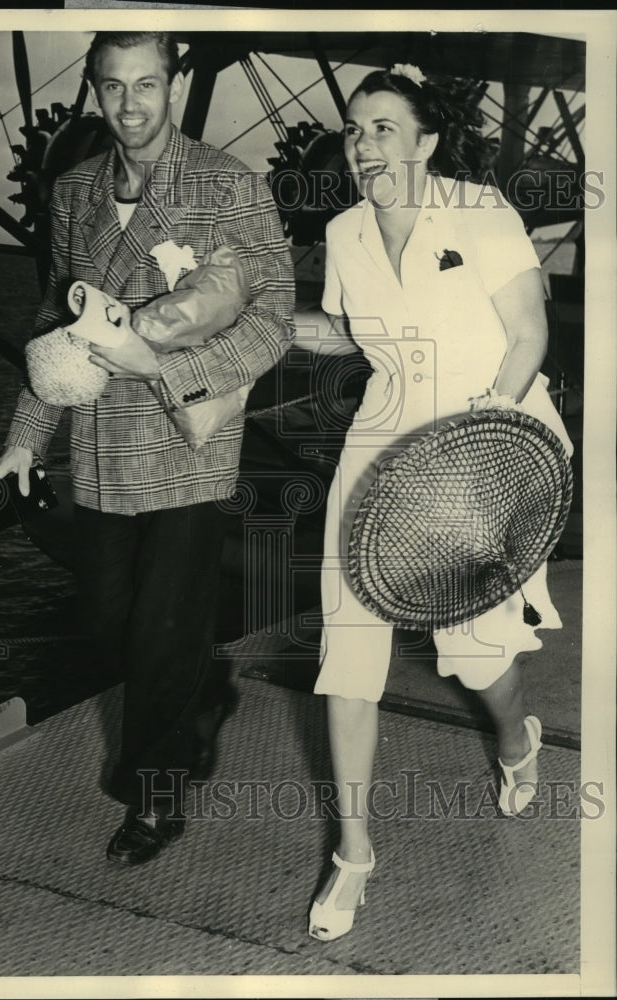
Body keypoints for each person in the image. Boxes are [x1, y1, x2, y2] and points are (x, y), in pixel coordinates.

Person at [0, 31, 295, 866]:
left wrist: (164, 364)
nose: (132, 106)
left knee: (161, 633)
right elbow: (56, 326)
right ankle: (207, 694)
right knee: (109, 622)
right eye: (115, 87)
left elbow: (268, 321)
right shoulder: (77, 190)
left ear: (176, 82)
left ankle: (154, 797)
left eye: (149, 84)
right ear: (94, 88)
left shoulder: (228, 183)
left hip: (190, 436)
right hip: (100, 444)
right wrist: (22, 442)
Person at [307, 64, 573, 940]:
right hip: (384, 445)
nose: (364, 143)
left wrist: (479, 445)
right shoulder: (344, 233)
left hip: (485, 438)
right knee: (348, 644)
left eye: (384, 127)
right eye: (353, 129)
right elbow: (352, 333)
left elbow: (531, 333)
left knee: (472, 656)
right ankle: (354, 853)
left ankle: (514, 739)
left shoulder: (479, 211)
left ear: (424, 142)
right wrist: (253, 328)